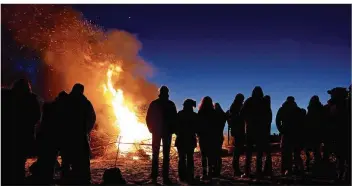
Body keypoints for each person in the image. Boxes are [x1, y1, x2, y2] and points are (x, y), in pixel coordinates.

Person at [2, 79, 41, 185]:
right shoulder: (31, 99)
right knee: (19, 163)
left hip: (8, 136)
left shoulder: (6, 97)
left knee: (7, 162)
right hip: (23, 137)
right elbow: (36, 117)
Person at [64, 83, 96, 184]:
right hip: (79, 135)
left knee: (68, 157)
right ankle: (83, 178)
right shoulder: (85, 102)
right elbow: (92, 118)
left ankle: (68, 177)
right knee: (82, 158)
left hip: (68, 135)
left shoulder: (66, 101)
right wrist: (86, 130)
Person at [33, 91, 68, 184]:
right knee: (49, 162)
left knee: (45, 161)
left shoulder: (49, 106)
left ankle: (42, 179)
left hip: (44, 138)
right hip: (51, 140)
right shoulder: (58, 110)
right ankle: (45, 180)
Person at [146, 86, 177, 184]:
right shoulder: (170, 104)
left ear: (160, 93)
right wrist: (172, 130)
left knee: (155, 154)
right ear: (167, 93)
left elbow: (148, 117)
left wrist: (151, 129)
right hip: (166, 132)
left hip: (157, 132)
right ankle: (165, 176)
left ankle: (154, 175)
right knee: (166, 155)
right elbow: (175, 119)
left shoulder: (154, 103)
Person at [241, 86, 268, 178]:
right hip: (260, 131)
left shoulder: (249, 101)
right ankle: (258, 172)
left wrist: (248, 120)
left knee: (249, 153)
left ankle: (247, 172)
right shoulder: (264, 102)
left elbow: (242, 113)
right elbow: (268, 115)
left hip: (250, 130)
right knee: (259, 153)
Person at [276, 96, 301, 176]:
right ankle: (293, 168)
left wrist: (281, 129)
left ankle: (284, 169)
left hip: (286, 132)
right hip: (294, 133)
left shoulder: (282, 109)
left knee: (285, 152)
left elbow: (277, 120)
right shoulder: (296, 109)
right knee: (294, 152)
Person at [175, 99, 198, 183]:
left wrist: (179, 133)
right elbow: (197, 128)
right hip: (190, 140)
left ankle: (182, 177)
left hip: (181, 140)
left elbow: (175, 127)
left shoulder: (180, 114)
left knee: (182, 159)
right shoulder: (194, 115)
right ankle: (190, 176)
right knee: (190, 159)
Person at [197, 96, 217, 180]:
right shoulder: (213, 112)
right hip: (211, 136)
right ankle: (210, 173)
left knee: (204, 155)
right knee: (210, 155)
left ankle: (204, 173)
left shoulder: (201, 112)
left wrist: (198, 134)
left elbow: (198, 124)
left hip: (203, 136)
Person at [227, 93, 245, 177]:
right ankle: (236, 169)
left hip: (237, 130)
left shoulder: (235, 106)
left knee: (237, 150)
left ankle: (236, 169)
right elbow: (236, 118)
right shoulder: (235, 107)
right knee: (237, 150)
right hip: (238, 130)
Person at [305, 96, 324, 173]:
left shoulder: (310, 109)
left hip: (310, 131)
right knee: (316, 149)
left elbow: (307, 119)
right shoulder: (321, 109)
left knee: (309, 149)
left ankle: (309, 164)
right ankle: (316, 164)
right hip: (317, 132)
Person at [213, 103, 227, 177]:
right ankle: (218, 170)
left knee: (214, 154)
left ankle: (214, 170)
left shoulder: (213, 115)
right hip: (220, 136)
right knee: (218, 154)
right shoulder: (223, 115)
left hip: (213, 136)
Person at [263, 95, 273, 176]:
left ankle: (267, 169)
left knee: (265, 152)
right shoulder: (269, 110)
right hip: (266, 133)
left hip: (263, 133)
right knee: (267, 153)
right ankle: (268, 169)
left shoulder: (265, 110)